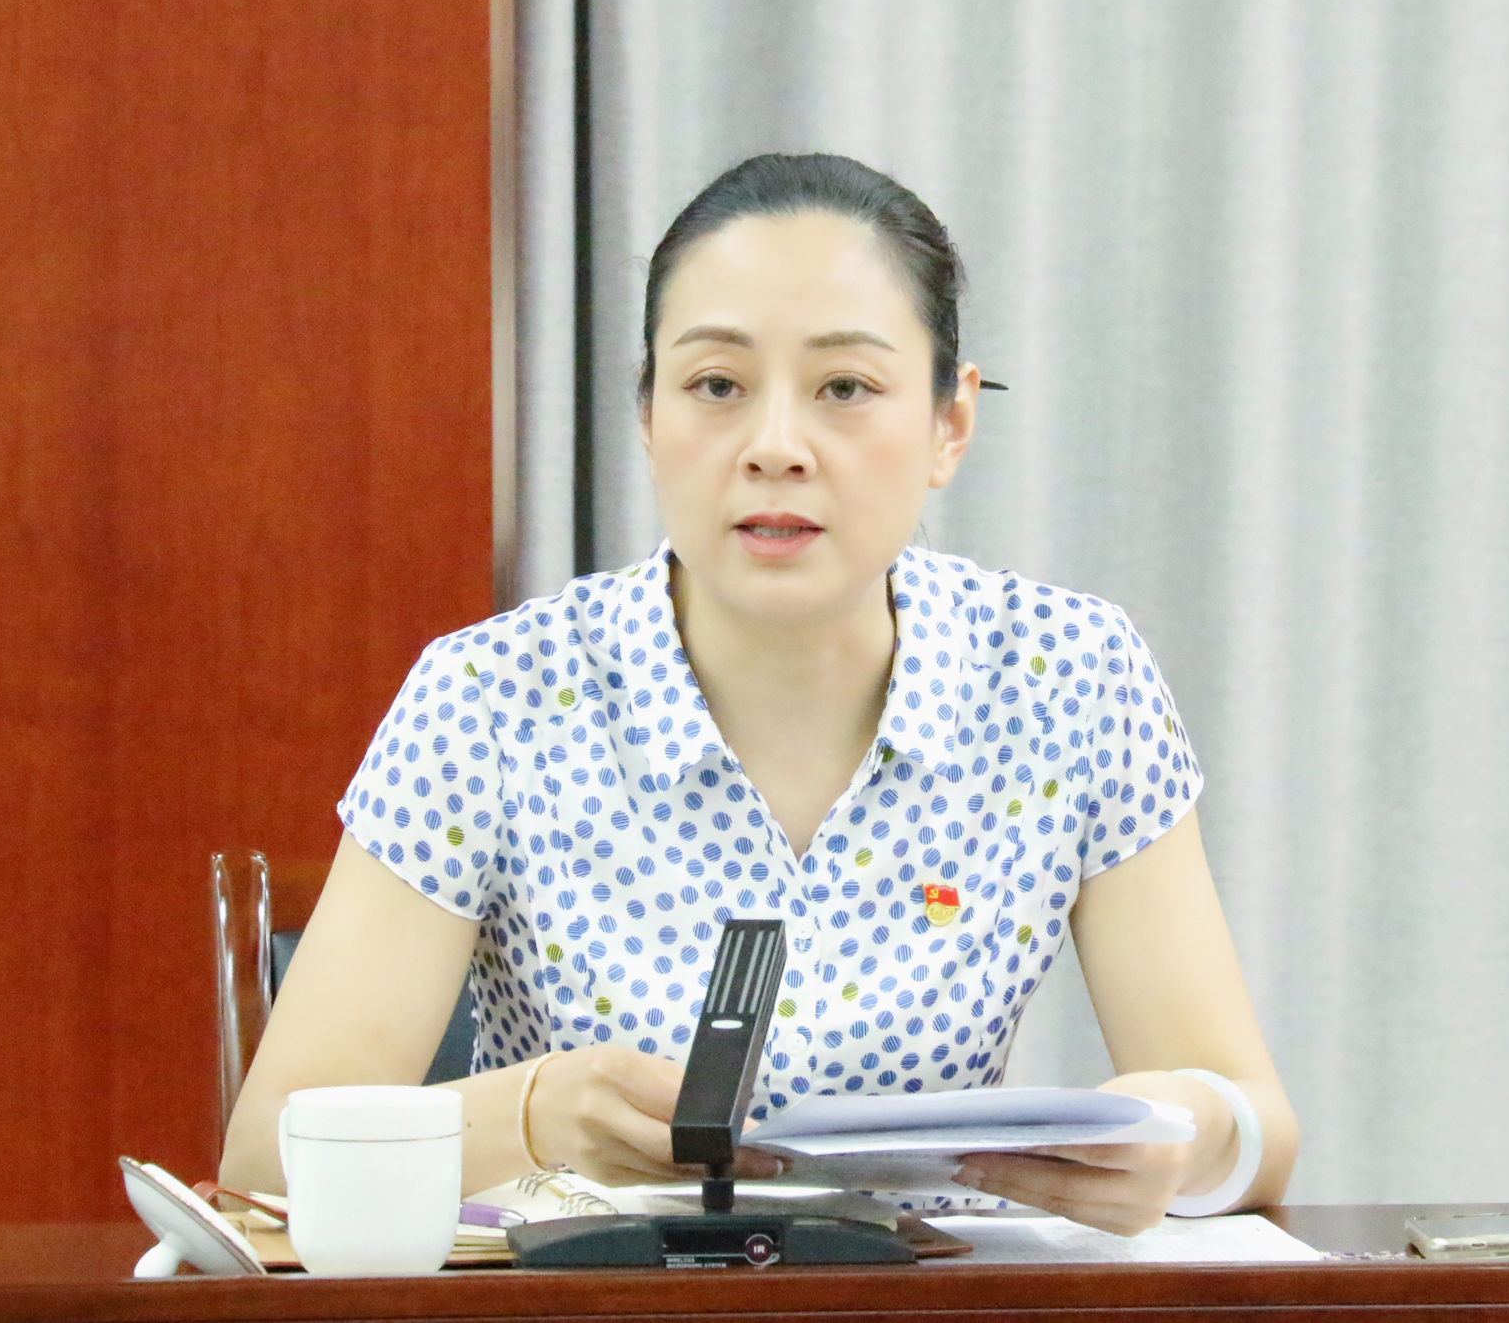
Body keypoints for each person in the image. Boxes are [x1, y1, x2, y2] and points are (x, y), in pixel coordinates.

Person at [220, 153, 1297, 1235]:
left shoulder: (1070, 674)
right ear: (649, 414)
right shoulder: (490, 696)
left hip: (935, 1304)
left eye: (845, 388)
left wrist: (1183, 1134)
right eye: (717, 386)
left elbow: (1253, 1126)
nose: (775, 447)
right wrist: (534, 1113)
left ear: (950, 424)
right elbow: (265, 1161)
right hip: (596, 1305)